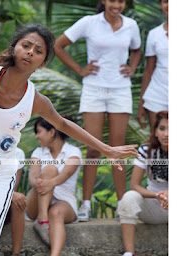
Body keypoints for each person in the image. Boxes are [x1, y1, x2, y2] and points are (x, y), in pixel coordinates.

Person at [0, 8, 138, 256]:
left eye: (38, 51)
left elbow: (63, 124)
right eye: (26, 45)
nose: (30, 52)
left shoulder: (35, 101)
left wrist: (107, 149)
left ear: (42, 63)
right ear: (14, 48)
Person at [54, 0, 142, 221]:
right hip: (93, 89)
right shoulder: (89, 22)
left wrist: (132, 66)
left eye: (121, 1)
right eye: (113, 0)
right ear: (104, 0)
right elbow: (58, 45)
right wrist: (79, 70)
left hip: (120, 89)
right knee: (93, 148)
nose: (117, 5)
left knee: (117, 149)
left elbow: (137, 49)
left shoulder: (131, 25)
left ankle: (123, 205)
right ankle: (85, 204)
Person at [25, 117, 81, 256]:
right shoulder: (38, 152)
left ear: (51, 132)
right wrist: (39, 182)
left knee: (55, 213)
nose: (37, 136)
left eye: (39, 131)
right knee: (50, 170)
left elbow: (67, 173)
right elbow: (32, 176)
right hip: (37, 200)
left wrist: (50, 183)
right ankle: (42, 219)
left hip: (64, 200)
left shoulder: (73, 152)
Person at [117, 111, 168, 256]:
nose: (166, 134)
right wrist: (157, 195)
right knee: (129, 196)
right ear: (156, 132)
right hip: (154, 206)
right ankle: (129, 253)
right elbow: (134, 185)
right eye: (162, 128)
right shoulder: (146, 150)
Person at [138, 0, 168, 132]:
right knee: (157, 143)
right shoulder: (154, 34)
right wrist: (141, 102)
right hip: (157, 96)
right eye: (166, 1)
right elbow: (149, 70)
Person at [0, 147, 26, 256]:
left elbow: (13, 187)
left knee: (19, 201)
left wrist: (9, 194)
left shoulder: (18, 153)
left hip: (4, 201)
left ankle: (16, 253)